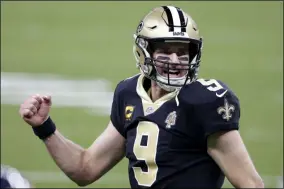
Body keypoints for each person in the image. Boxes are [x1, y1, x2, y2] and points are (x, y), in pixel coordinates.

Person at [19, 6, 264, 188]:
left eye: (182, 52)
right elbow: (85, 168)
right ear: (144, 52)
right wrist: (45, 128)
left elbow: (251, 185)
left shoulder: (206, 101)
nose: (176, 61)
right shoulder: (128, 93)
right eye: (166, 51)